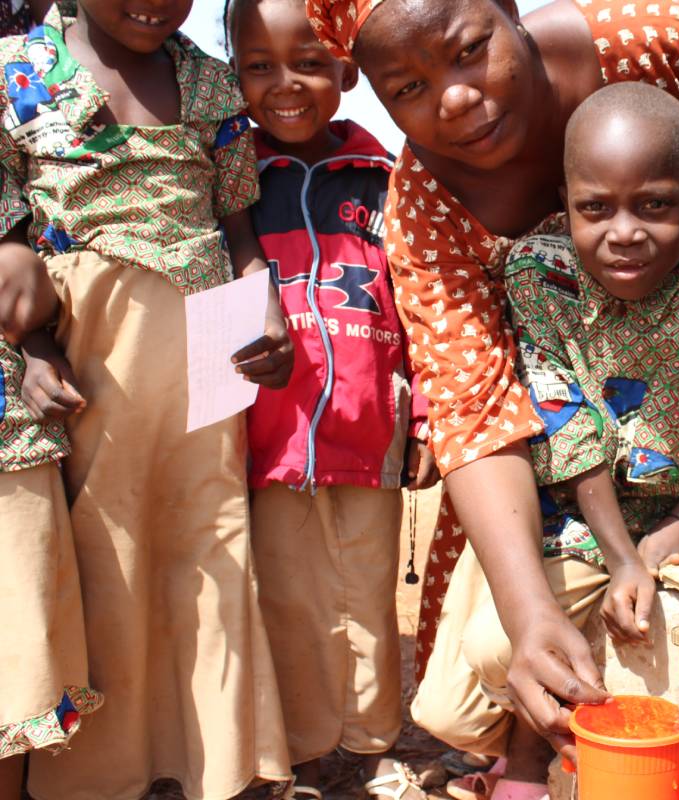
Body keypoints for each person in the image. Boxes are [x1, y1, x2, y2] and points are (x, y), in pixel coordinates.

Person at [303, 0, 679, 772]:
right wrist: (527, 614)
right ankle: (528, 755)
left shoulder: (650, 45)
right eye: (406, 88)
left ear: (511, 11)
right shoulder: (423, 212)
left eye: (470, 49)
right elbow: (476, 404)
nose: (452, 98)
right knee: (486, 654)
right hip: (555, 449)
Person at [424, 82, 679, 800]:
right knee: (455, 699)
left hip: (658, 525)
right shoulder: (539, 276)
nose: (625, 232)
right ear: (565, 203)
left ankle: (540, 772)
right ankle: (513, 750)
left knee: (561, 665)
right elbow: (565, 420)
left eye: (656, 205)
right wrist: (621, 557)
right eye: (595, 208)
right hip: (558, 520)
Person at [0, 1, 296, 797]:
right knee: (106, 551)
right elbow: (8, 234)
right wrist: (29, 349)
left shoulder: (207, 81)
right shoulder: (15, 72)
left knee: (207, 537)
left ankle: (214, 762)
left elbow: (236, 227)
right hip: (86, 347)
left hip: (208, 333)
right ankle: (100, 774)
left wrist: (261, 301)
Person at [228, 0, 436, 796]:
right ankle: (307, 746)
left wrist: (418, 417)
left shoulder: (386, 178)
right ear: (235, 76)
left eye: (310, 62)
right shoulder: (236, 183)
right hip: (270, 436)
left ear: (348, 72)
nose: (286, 84)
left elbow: (417, 309)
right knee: (289, 595)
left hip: (367, 424)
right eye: (259, 66)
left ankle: (372, 736)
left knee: (367, 589)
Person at [0, 6, 98, 800]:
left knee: (20, 648)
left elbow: (28, 262)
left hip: (11, 430)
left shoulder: (18, 77)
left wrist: (32, 343)